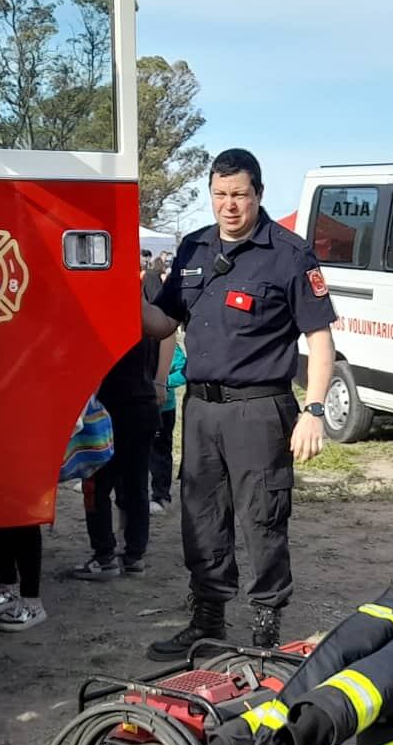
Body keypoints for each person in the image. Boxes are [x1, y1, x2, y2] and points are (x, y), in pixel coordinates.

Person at [141, 148, 337, 655]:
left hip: (261, 410)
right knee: (201, 514)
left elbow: (319, 339)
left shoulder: (288, 254)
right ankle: (208, 622)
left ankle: (265, 629)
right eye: (220, 195)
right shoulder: (193, 249)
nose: (230, 206)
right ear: (211, 195)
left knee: (262, 517)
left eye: (240, 195)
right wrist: (117, 288)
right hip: (202, 410)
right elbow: (161, 323)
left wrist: (314, 410)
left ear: (259, 194)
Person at [73, 272, 175, 580]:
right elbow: (167, 332)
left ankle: (105, 557)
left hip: (107, 411)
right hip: (141, 405)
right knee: (134, 486)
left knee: (97, 485)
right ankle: (134, 556)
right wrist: (159, 380)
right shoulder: (139, 309)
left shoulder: (96, 313)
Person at [151, 337, 186, 512]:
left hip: (163, 410)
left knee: (160, 453)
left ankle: (161, 496)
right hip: (140, 407)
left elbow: (184, 371)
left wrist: (164, 383)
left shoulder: (171, 348)